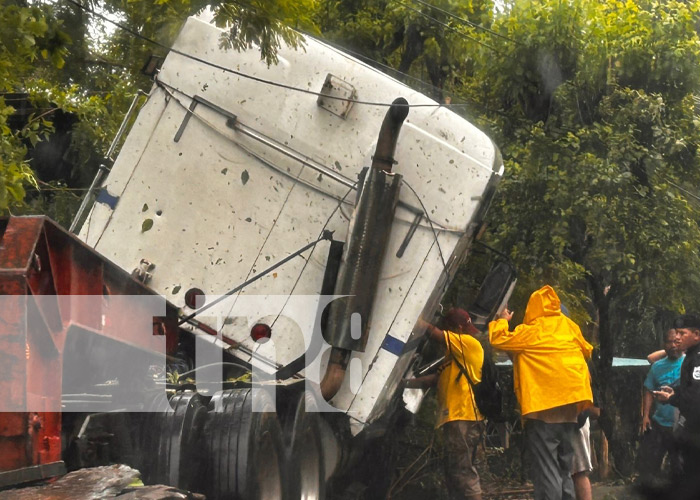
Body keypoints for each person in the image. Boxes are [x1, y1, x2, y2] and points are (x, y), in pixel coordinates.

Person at [489, 285, 593, 500]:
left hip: (542, 411)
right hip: (572, 409)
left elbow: (498, 340)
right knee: (565, 468)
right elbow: (587, 350)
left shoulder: (532, 330)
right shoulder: (570, 326)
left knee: (547, 472)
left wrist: (502, 320)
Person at [404, 308, 485, 500]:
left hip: (463, 415)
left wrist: (411, 317)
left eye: (448, 328)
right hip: (456, 418)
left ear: (456, 328)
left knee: (463, 471)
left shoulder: (467, 343)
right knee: (454, 470)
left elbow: (435, 334)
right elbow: (434, 380)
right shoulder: (455, 356)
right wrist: (404, 384)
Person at [653, 314, 700, 500]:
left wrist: (672, 399)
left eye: (682, 333)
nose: (677, 337)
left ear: (696, 334)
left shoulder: (697, 358)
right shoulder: (691, 355)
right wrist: (673, 392)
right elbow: (689, 388)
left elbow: (696, 397)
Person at [637, 328, 684, 489]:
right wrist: (645, 416)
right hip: (659, 424)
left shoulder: (690, 364)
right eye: (669, 342)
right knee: (651, 465)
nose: (673, 345)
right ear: (663, 344)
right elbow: (649, 390)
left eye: (676, 342)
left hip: (682, 425)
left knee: (680, 468)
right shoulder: (657, 366)